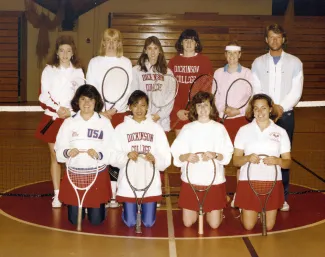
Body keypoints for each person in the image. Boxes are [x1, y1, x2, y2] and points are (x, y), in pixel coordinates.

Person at [252, 24, 303, 211]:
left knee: (283, 158)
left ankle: (283, 198)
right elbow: (256, 89)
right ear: (266, 40)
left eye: (278, 37)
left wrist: (281, 107)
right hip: (263, 117)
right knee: (261, 155)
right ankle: (259, 194)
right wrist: (270, 108)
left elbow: (296, 91)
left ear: (283, 39)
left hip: (286, 116)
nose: (274, 40)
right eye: (271, 37)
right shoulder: (257, 63)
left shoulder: (296, 62)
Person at [171, 91, 233, 229]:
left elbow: (227, 156)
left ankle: (218, 208)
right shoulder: (187, 129)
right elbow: (176, 154)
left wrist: (215, 155)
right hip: (192, 181)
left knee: (214, 225)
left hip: (214, 181)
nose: (203, 109)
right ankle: (204, 209)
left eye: (206, 105)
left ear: (211, 108)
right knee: (188, 223)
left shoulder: (219, 128)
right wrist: (185, 156)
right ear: (195, 109)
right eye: (199, 106)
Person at [54, 84, 116, 226]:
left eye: (90, 99)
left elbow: (112, 148)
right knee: (74, 221)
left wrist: (100, 155)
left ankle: (97, 209)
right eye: (83, 99)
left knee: (96, 221)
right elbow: (59, 150)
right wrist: (68, 152)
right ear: (77, 102)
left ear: (96, 102)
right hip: (74, 176)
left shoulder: (105, 123)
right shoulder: (68, 123)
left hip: (97, 176)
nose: (86, 103)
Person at [35, 35, 84, 208]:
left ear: (73, 53)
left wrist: (70, 111)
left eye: (68, 51)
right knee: (55, 156)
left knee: (73, 157)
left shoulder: (78, 72)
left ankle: (73, 193)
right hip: (54, 117)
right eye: (62, 50)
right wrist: (58, 109)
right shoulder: (48, 70)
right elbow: (43, 95)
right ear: (57, 52)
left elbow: (81, 96)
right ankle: (57, 195)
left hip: (72, 119)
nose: (65, 54)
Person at [86, 28, 133, 208]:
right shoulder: (95, 62)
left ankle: (116, 193)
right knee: (101, 152)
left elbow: (128, 88)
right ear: (103, 42)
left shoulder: (126, 62)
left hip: (118, 114)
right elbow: (90, 87)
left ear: (119, 43)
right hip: (98, 115)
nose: (111, 44)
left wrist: (114, 109)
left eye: (115, 41)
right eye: (108, 40)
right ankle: (100, 192)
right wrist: (100, 110)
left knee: (117, 152)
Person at [112, 90, 171, 228]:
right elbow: (112, 155)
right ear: (129, 107)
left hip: (149, 181)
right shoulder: (120, 129)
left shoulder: (156, 129)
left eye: (143, 105)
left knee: (149, 223)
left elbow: (166, 156)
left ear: (147, 107)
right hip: (129, 180)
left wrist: (155, 159)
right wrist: (126, 156)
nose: (139, 109)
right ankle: (126, 210)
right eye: (135, 105)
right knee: (130, 223)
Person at [233, 93, 291, 231]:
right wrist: (247, 158)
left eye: (263, 108)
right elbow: (236, 161)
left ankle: (260, 210)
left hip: (272, 183)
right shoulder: (243, 130)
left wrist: (277, 160)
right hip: (249, 182)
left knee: (269, 227)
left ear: (270, 109)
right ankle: (244, 210)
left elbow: (288, 163)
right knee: (248, 226)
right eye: (256, 108)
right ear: (252, 111)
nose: (260, 112)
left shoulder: (281, 132)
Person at [213, 40, 254, 208]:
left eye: (234, 53)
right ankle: (220, 194)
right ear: (225, 55)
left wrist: (238, 111)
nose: (231, 57)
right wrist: (223, 110)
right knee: (220, 159)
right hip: (222, 121)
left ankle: (240, 195)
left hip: (241, 121)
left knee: (240, 160)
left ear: (239, 55)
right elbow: (214, 96)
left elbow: (252, 97)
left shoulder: (247, 73)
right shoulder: (217, 73)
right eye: (228, 53)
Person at [168, 29, 213, 136]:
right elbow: (168, 91)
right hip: (178, 113)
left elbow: (207, 91)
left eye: (192, 40)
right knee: (181, 148)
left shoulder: (205, 62)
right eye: (186, 40)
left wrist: (193, 109)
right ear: (181, 42)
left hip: (197, 112)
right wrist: (176, 110)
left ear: (196, 43)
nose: (189, 43)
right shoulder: (173, 62)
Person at [131, 36, 174, 132]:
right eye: (149, 48)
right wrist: (143, 114)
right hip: (142, 119)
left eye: (155, 48)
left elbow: (170, 98)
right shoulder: (136, 70)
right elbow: (134, 95)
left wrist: (160, 115)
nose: (153, 52)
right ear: (145, 51)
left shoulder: (168, 72)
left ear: (160, 51)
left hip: (161, 121)